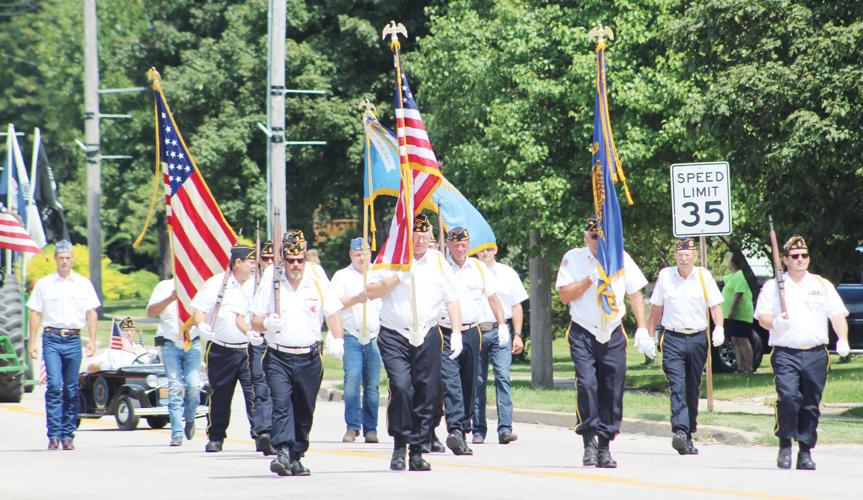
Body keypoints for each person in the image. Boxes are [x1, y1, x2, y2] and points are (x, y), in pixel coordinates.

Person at [366, 214, 462, 472]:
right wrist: (398, 275)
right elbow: (371, 290)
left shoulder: (438, 261)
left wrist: (456, 331)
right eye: (415, 235)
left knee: (426, 392)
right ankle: (400, 444)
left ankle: (418, 450)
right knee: (401, 387)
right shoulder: (391, 256)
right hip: (395, 333)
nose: (420, 240)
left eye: (424, 236)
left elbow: (451, 298)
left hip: (428, 333)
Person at [250, 229, 345, 477]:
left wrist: (337, 338)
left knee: (304, 410)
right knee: (281, 404)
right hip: (279, 355)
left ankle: (296, 454)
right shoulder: (272, 276)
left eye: (299, 260)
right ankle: (281, 451)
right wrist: (267, 324)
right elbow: (255, 320)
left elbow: (333, 311)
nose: (295, 265)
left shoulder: (316, 275)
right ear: (282, 258)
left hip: (309, 356)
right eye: (290, 260)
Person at [555, 217, 649, 468]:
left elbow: (635, 293)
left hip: (613, 330)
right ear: (586, 237)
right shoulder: (573, 258)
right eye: (593, 237)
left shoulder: (621, 258)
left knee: (612, 389)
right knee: (587, 385)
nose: (598, 242)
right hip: (583, 331)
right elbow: (564, 295)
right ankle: (588, 441)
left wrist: (642, 328)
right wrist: (589, 279)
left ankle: (605, 445)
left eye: (602, 237)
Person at [755, 235, 849, 470]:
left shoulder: (821, 284)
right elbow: (762, 317)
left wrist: (843, 339)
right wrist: (776, 322)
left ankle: (805, 450)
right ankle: (785, 444)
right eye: (795, 256)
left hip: (816, 352)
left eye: (804, 256)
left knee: (810, 404)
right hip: (786, 352)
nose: (800, 260)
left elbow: (837, 315)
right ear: (785, 260)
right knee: (788, 398)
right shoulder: (774, 286)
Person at [647, 238, 724, 455]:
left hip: (698, 337)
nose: (684, 258)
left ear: (695, 256)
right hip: (673, 338)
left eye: (688, 254)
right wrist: (648, 334)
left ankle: (688, 432)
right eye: (680, 254)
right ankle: (680, 431)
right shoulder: (666, 276)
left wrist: (719, 327)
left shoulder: (703, 276)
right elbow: (656, 308)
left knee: (692, 387)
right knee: (677, 385)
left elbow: (715, 305)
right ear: (675, 256)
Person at [437, 226, 507, 455]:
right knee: (451, 382)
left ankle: (463, 429)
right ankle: (455, 429)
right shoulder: (440, 267)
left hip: (471, 331)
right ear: (448, 245)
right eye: (455, 244)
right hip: (445, 331)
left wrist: (502, 324)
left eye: (463, 244)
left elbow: (493, 298)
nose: (460, 248)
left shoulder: (478, 267)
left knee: (471, 383)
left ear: (469, 244)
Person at [27, 239, 100, 451]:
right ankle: (53, 434)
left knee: (71, 388)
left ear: (72, 259)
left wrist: (93, 339)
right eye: (61, 258)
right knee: (54, 386)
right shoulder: (45, 284)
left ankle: (68, 435)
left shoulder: (83, 284)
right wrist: (32, 341)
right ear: (55, 259)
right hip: (51, 338)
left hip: (73, 338)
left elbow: (91, 313)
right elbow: (35, 313)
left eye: (68, 258)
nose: (65, 262)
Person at [190, 244, 260, 453]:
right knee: (220, 395)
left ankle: (261, 435)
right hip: (221, 348)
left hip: (249, 348)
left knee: (255, 394)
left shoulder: (257, 285)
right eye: (250, 262)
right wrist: (201, 325)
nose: (254, 266)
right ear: (238, 263)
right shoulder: (217, 284)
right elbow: (199, 310)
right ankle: (216, 436)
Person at [330, 237, 383, 444]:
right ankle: (352, 426)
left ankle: (371, 428)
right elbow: (332, 303)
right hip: (352, 335)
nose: (362, 257)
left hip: (373, 336)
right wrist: (355, 299)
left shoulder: (378, 274)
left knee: (372, 385)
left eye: (365, 253)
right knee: (352, 381)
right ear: (351, 255)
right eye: (358, 254)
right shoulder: (342, 276)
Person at [473, 245, 527, 445]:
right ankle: (478, 430)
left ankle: (505, 428)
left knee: (503, 377)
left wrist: (518, 335)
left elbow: (516, 305)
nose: (485, 253)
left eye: (488, 249)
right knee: (477, 382)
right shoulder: (471, 272)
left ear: (495, 250)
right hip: (477, 330)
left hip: (501, 331)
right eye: (481, 250)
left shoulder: (507, 273)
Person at [147, 276, 201, 447]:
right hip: (170, 344)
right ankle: (176, 432)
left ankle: (190, 417)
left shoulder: (197, 285)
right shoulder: (163, 287)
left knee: (194, 386)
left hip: (192, 343)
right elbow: (151, 312)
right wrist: (170, 298)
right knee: (175, 386)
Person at [238, 240, 276, 456]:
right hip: (259, 340)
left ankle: (275, 432)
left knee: (278, 391)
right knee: (260, 386)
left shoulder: (283, 280)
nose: (269, 262)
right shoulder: (251, 284)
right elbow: (241, 312)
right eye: (265, 258)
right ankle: (263, 431)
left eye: (273, 258)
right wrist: (248, 331)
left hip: (280, 341)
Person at [722, 251, 755, 373]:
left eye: (729, 261)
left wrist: (732, 310)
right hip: (731, 315)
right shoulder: (733, 276)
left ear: (733, 262)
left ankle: (749, 367)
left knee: (743, 339)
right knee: (735, 339)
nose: (727, 264)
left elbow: (739, 294)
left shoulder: (741, 275)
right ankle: (740, 367)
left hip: (740, 314)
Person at [86, 317, 150, 372]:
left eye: (131, 330)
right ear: (120, 333)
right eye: (126, 330)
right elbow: (90, 366)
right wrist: (104, 366)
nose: (129, 333)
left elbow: (149, 364)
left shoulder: (141, 350)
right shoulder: (112, 351)